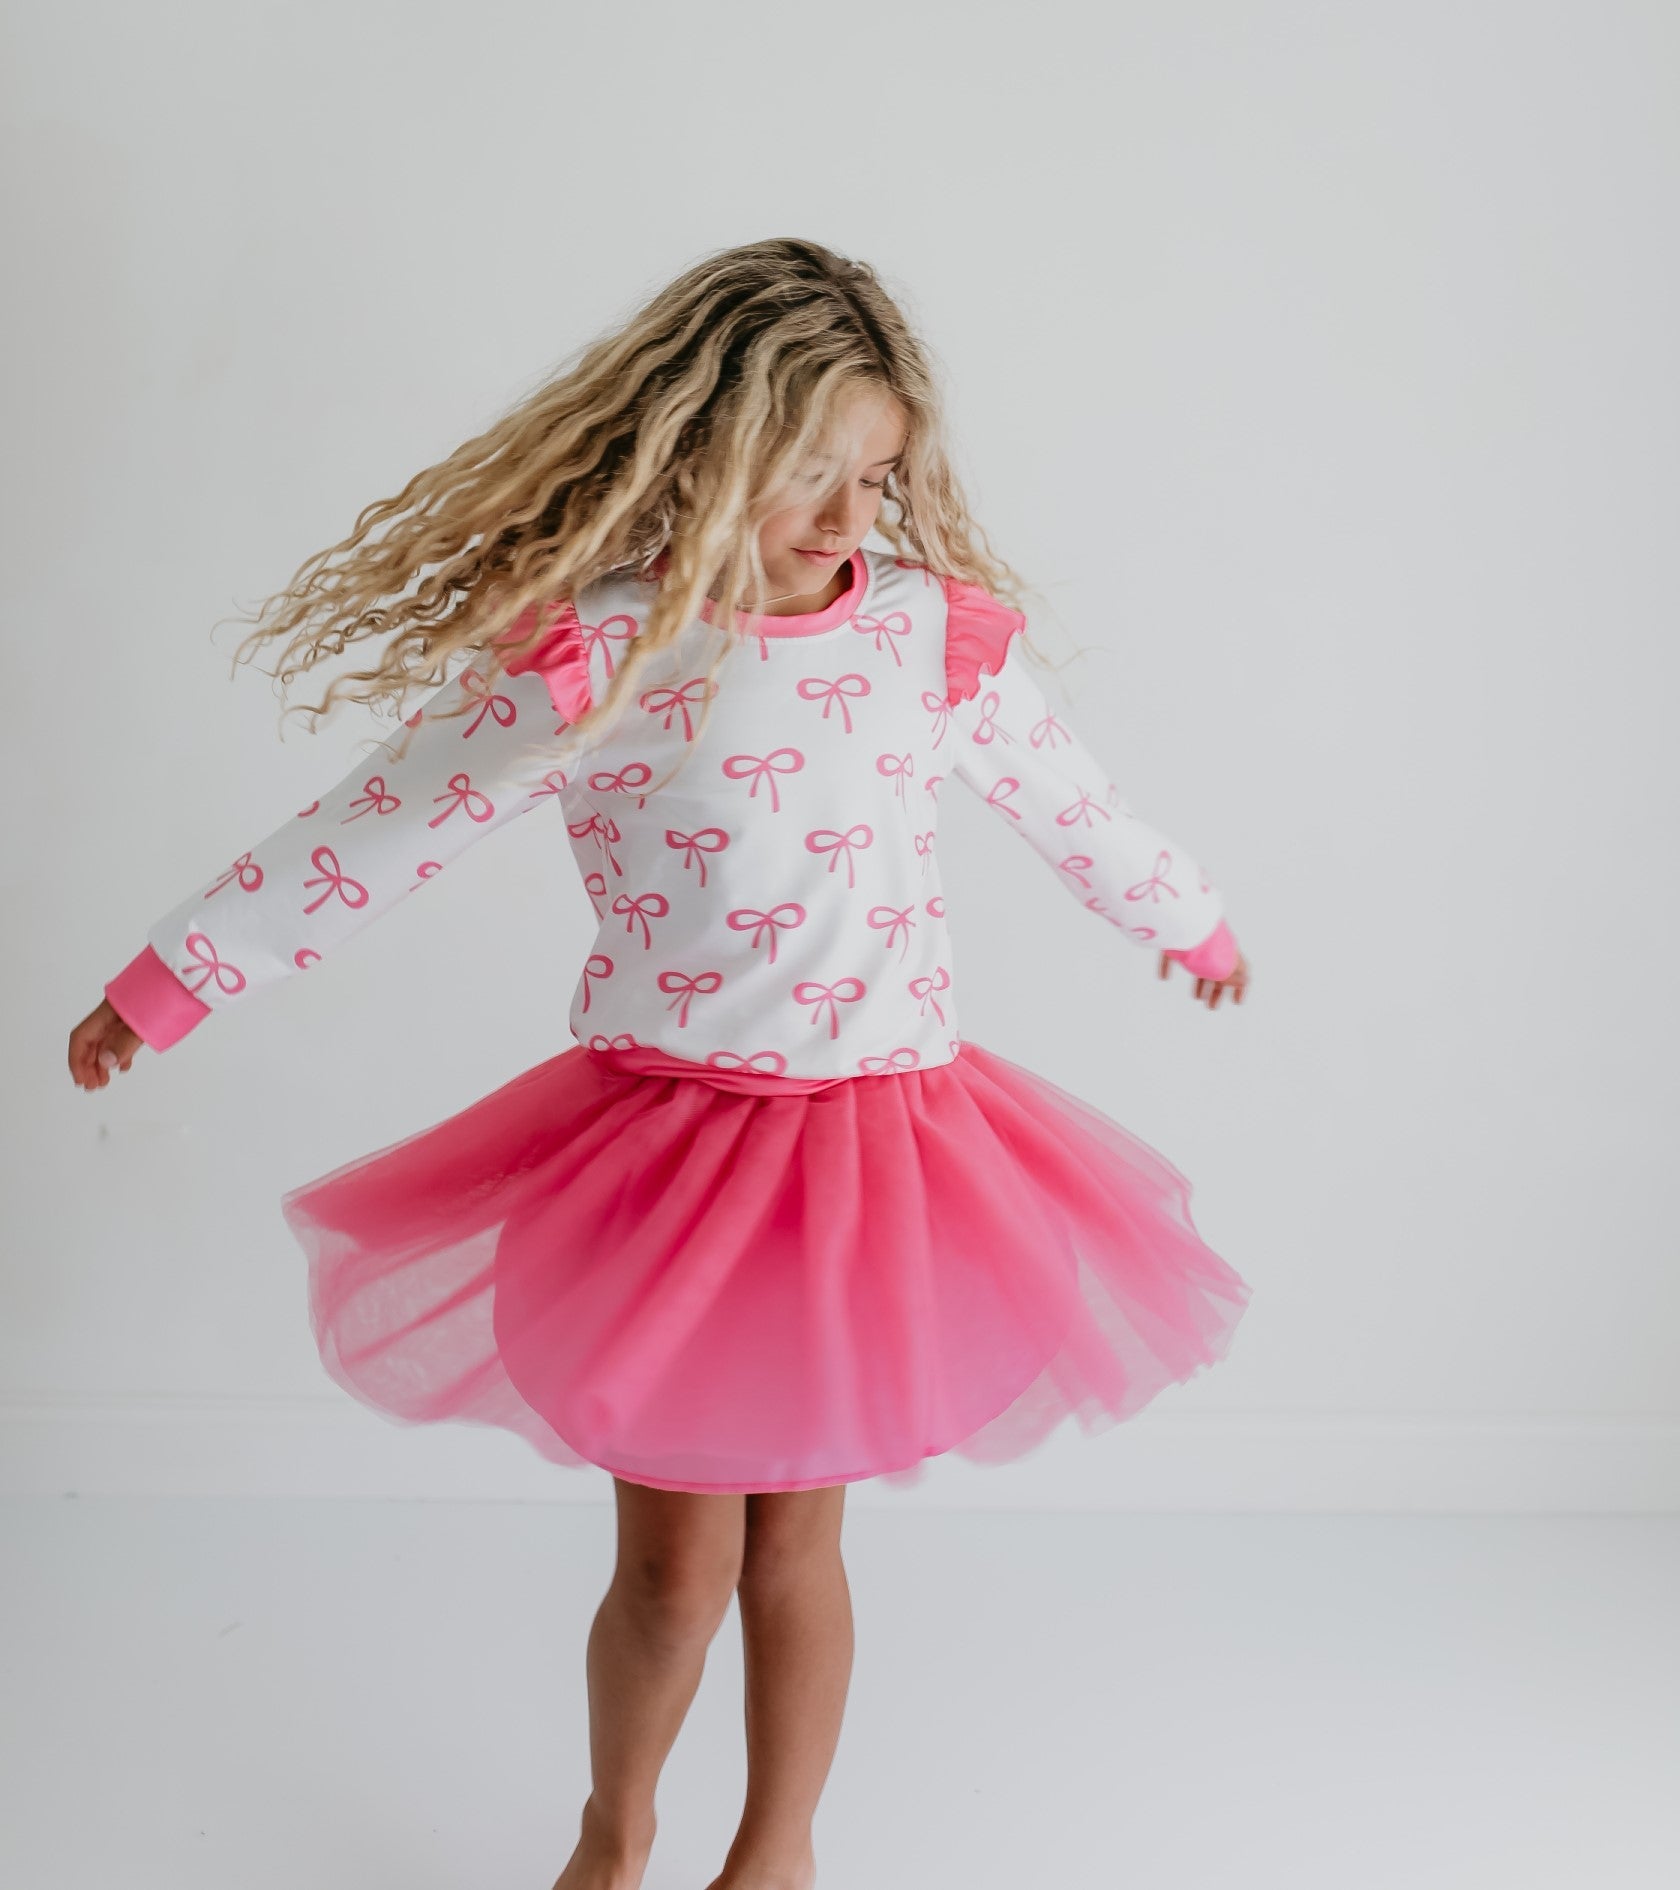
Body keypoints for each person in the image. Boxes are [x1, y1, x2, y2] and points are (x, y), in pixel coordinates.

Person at [67, 237, 1253, 1890]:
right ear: (700, 452)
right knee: (677, 1567)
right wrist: (173, 977)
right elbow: (382, 824)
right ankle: (611, 1824)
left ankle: (776, 1849)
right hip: (673, 1156)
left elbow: (1072, 800)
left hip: (878, 1148)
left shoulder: (930, 640)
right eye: (808, 478)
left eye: (878, 478)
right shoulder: (603, 656)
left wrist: (1183, 919)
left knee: (802, 1547)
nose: (851, 523)